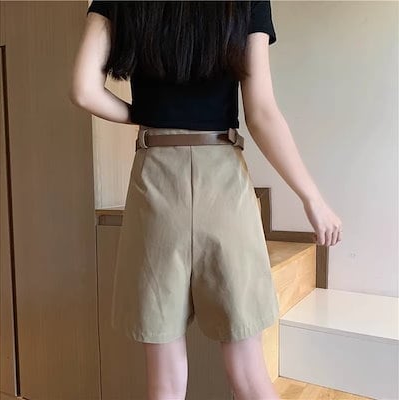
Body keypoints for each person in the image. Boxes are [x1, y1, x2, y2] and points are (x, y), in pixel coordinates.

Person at [70, 1, 343, 399]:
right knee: (249, 372)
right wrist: (311, 198)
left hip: (156, 178)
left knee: (164, 381)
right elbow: (261, 113)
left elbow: (84, 91)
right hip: (223, 178)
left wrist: (148, 115)